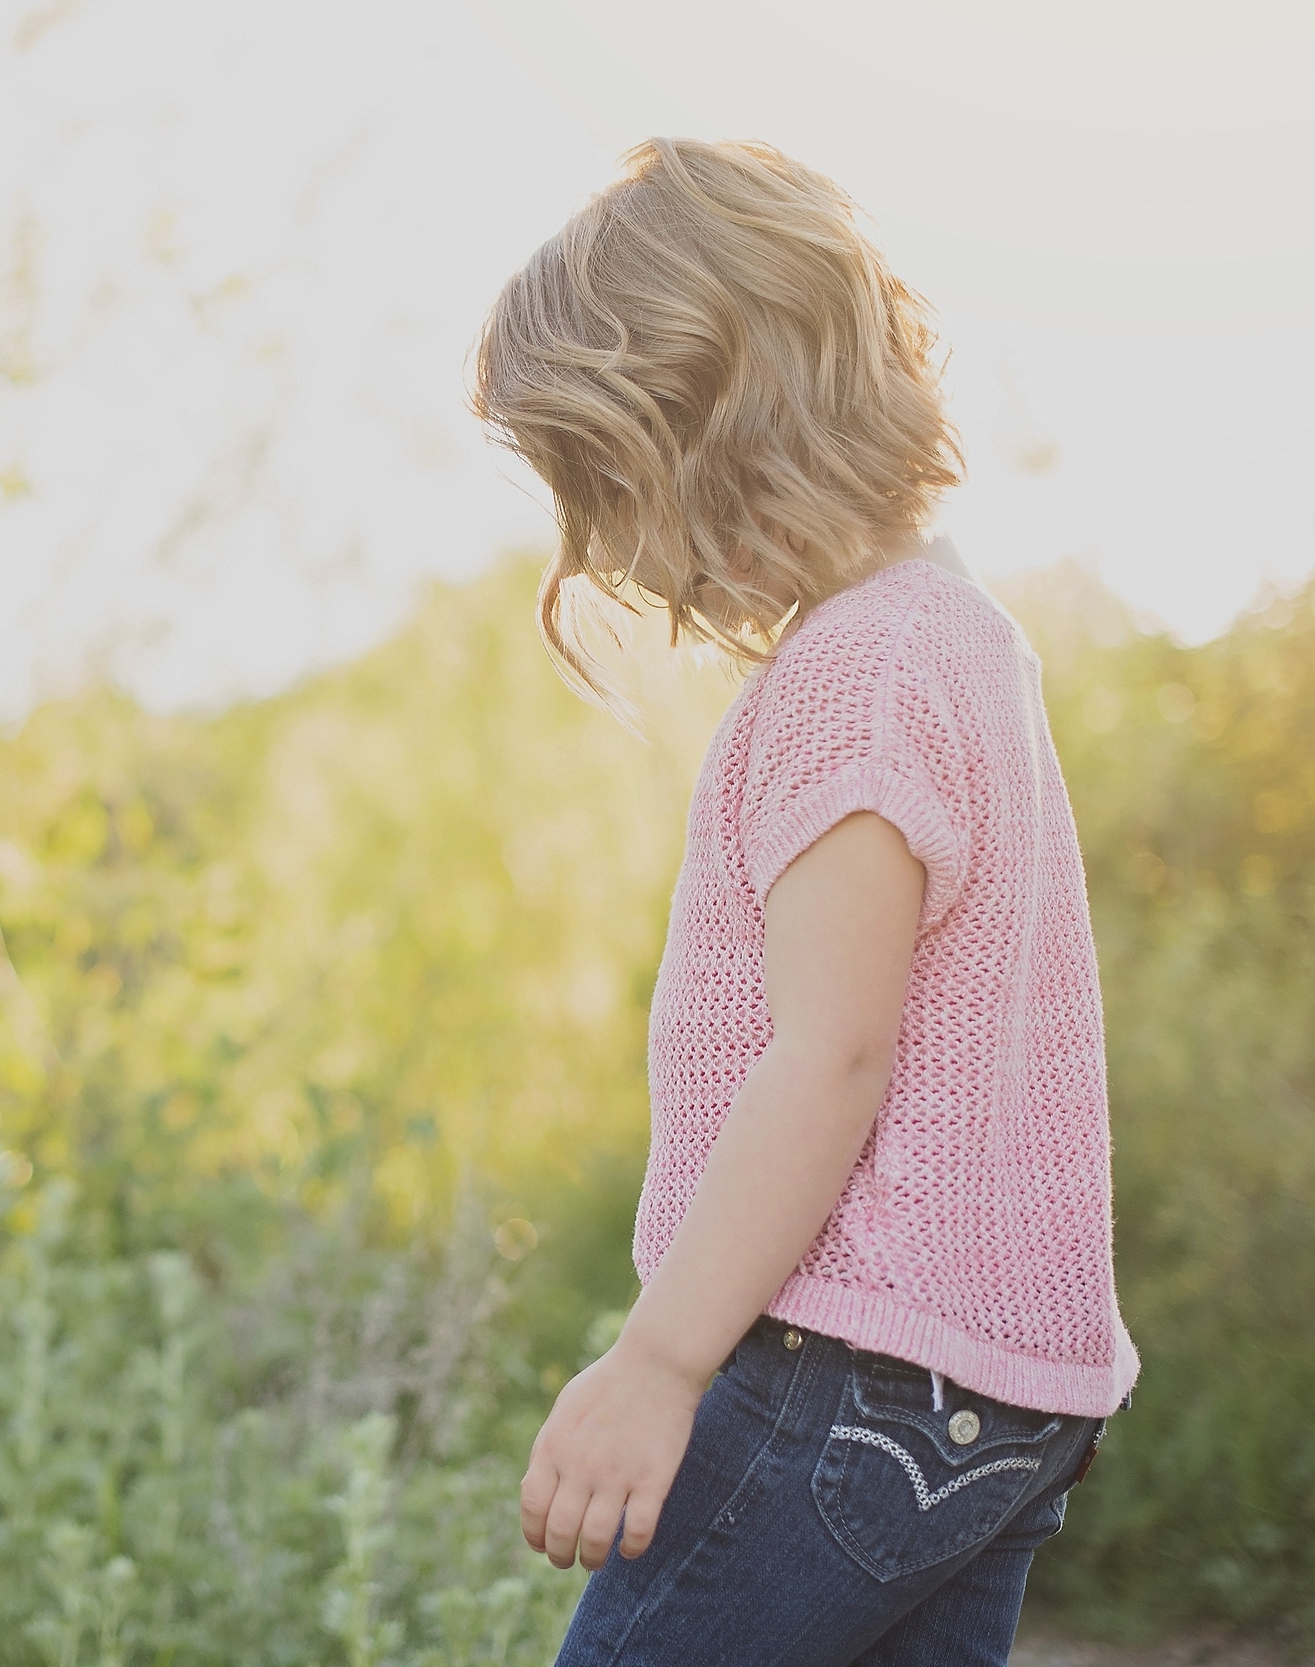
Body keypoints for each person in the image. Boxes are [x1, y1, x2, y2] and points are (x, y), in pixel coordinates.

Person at [469, 138, 1139, 1665]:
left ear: (710, 433)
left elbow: (831, 1057)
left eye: (602, 488)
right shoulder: (959, 634)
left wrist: (655, 1362)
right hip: (996, 1408)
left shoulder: (858, 676)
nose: (607, 551)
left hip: (859, 1376)